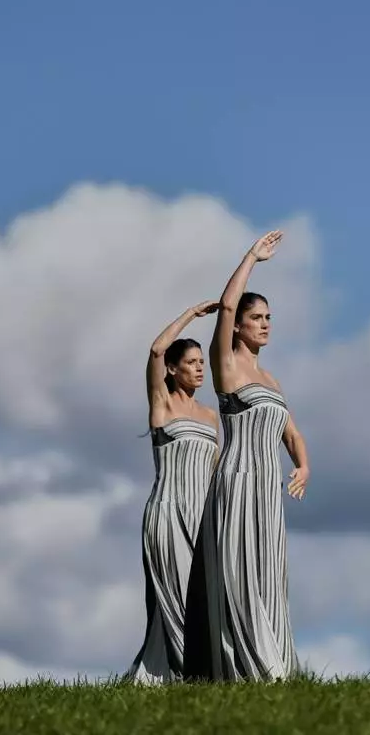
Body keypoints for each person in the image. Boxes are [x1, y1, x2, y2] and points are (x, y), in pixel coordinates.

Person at [183, 231, 311, 681]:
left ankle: (275, 659)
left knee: (268, 571)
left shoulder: (271, 380)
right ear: (238, 325)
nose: (265, 324)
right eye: (256, 317)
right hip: (237, 480)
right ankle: (245, 663)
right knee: (238, 570)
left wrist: (303, 465)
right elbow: (226, 305)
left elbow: (291, 433)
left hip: (268, 489)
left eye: (269, 317)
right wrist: (251, 258)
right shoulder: (227, 365)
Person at [124, 302, 221, 684]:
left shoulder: (211, 417)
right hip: (168, 512)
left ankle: (184, 676)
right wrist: (192, 314)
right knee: (177, 598)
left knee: (204, 602)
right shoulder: (162, 405)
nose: (199, 368)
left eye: (202, 362)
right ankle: (192, 678)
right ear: (172, 369)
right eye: (192, 362)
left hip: (202, 518)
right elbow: (155, 350)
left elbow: (215, 471)